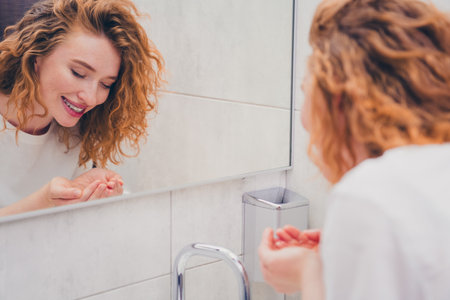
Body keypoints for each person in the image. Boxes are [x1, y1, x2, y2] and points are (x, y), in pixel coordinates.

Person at [258, 0, 450, 299]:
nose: (305, 123)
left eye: (306, 92)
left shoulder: (371, 195)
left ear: (336, 99)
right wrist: (346, 250)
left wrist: (310, 270)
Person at [0, 0, 164, 216]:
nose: (90, 97)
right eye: (78, 72)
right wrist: (44, 201)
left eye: (106, 84)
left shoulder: (75, 131)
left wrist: (87, 199)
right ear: (36, 56)